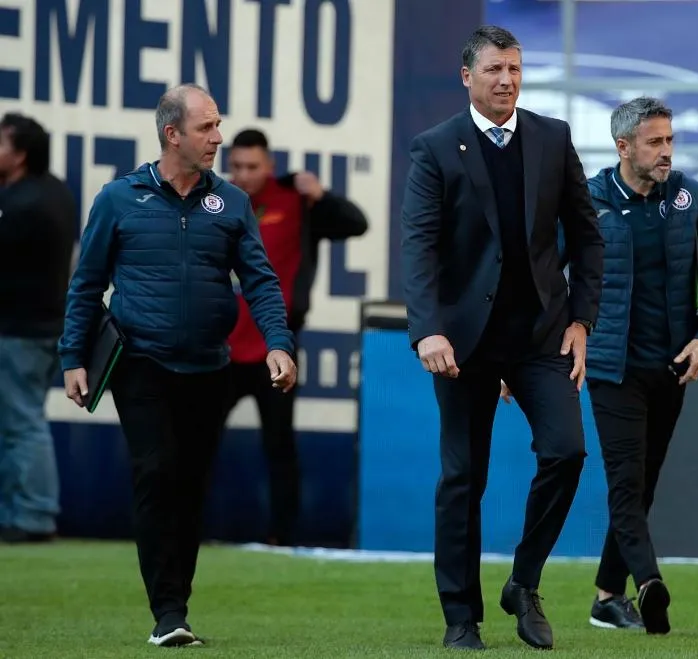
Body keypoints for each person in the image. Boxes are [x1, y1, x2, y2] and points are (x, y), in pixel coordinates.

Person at [57, 83, 297, 648]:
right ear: (173, 134)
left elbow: (260, 280)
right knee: (156, 472)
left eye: (218, 126)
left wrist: (278, 343)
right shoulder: (118, 199)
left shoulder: (232, 203)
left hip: (208, 367)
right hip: (140, 362)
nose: (218, 138)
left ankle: (177, 608)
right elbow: (87, 284)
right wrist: (72, 356)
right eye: (206, 128)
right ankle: (166, 611)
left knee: (189, 485)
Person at [400, 25, 604, 651]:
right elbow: (420, 247)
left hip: (542, 335)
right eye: (494, 70)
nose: (507, 80)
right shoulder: (435, 148)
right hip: (464, 345)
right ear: (468, 76)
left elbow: (588, 236)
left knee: (567, 451)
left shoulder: (552, 136)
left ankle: (524, 580)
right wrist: (428, 329)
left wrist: (581, 321)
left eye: (515, 69)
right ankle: (461, 618)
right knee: (464, 478)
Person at [580, 97, 698, 635]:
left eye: (670, 140)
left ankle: (606, 599)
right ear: (623, 147)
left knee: (645, 484)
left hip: (672, 366)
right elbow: (552, 274)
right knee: (625, 482)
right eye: (655, 142)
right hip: (612, 367)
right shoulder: (589, 201)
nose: (666, 152)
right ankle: (648, 583)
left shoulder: (688, 197)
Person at [225, 128, 368, 546]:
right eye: (236, 166)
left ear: (269, 165)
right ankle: (185, 534)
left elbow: (356, 223)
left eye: (252, 166)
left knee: (280, 447)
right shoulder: (218, 201)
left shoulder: (296, 199)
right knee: (197, 445)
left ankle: (281, 538)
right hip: (222, 349)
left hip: (277, 349)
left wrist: (321, 195)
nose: (244, 174)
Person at [0, 113, 77, 543]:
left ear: (20, 154)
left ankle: (33, 515)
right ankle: (21, 511)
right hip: (40, 327)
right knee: (17, 423)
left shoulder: (22, 203)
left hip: (21, 331)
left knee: (23, 423)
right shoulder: (54, 191)